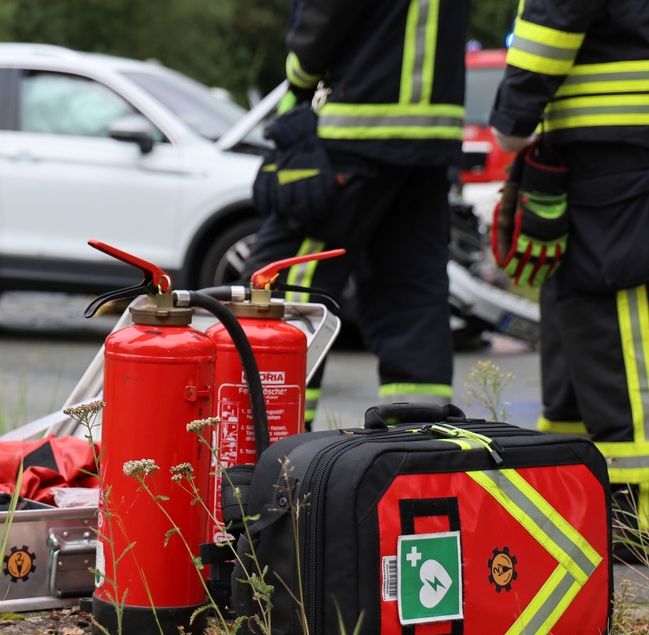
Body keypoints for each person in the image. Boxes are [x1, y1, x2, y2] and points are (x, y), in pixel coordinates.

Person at [245, 0, 470, 428]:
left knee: (282, 286)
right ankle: (416, 452)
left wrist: (300, 73)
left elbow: (324, 19)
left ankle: (272, 451)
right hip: (431, 142)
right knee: (411, 295)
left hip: (354, 130)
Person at [488, 0, 649, 555]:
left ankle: (633, 522)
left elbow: (551, 21)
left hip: (617, 152)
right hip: (608, 150)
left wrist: (511, 121)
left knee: (617, 329)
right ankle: (575, 502)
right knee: (578, 330)